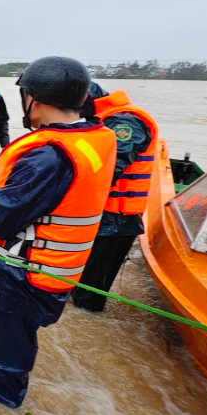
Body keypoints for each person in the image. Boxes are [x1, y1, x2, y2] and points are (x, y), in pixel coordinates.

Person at [0, 57, 116, 408]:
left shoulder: (47, 156)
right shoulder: (90, 138)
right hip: (49, 271)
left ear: (35, 99)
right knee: (11, 342)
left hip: (22, 278)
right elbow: (15, 191)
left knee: (0, 358)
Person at [72, 82, 158, 311]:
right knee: (78, 280)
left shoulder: (127, 121)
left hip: (117, 220)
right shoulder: (102, 120)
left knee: (90, 292)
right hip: (102, 214)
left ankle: (87, 326)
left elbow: (111, 167)